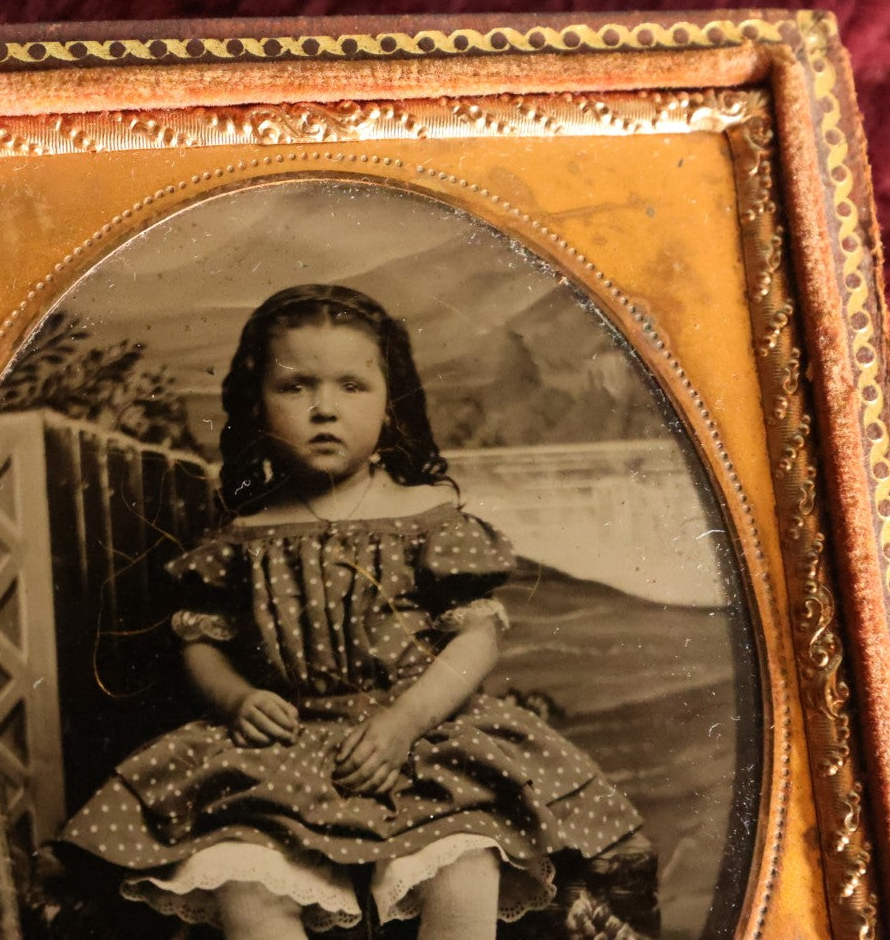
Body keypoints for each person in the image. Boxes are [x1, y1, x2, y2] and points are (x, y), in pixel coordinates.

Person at [62, 285, 644, 939]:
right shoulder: (245, 534)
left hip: (418, 739)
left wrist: (404, 721)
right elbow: (199, 637)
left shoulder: (422, 518)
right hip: (287, 746)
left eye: (351, 387)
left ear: (390, 404)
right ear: (255, 405)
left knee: (464, 860)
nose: (324, 409)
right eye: (295, 387)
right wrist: (234, 699)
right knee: (243, 875)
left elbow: (474, 634)